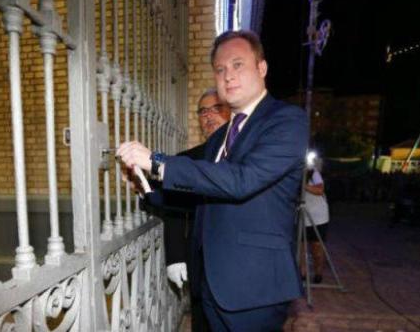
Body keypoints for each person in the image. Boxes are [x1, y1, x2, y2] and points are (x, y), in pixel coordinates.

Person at [118, 30, 308, 331]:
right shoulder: (219, 136)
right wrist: (145, 184)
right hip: (211, 283)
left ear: (262, 68)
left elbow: (241, 180)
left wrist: (158, 162)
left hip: (255, 288)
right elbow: (202, 196)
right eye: (220, 70)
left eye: (237, 65)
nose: (228, 76)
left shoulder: (286, 120)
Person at [145, 87, 230, 332]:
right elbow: (173, 209)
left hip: (239, 262)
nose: (208, 116)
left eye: (217, 108)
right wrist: (175, 257)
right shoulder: (186, 160)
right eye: (203, 111)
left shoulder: (246, 157)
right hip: (201, 260)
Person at [300, 163, 330, 284]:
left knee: (316, 247)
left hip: (318, 217)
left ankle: (318, 273)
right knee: (300, 247)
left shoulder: (313, 173)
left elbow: (319, 190)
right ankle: (302, 273)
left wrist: (303, 185)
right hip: (301, 215)